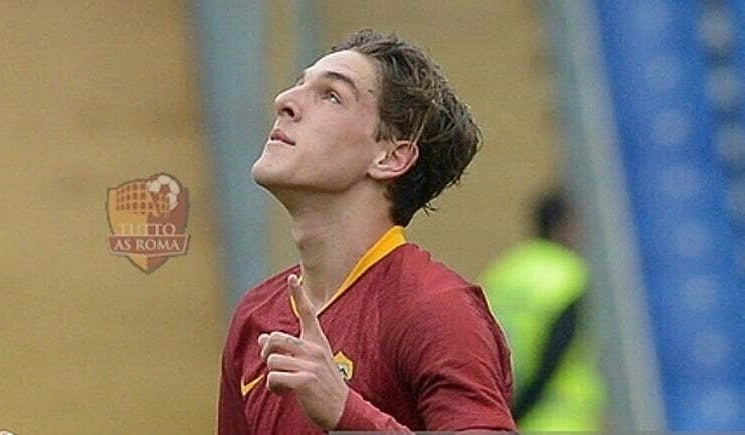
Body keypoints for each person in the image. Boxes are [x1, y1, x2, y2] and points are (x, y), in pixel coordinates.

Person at [217, 29, 516, 433]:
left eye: (331, 95)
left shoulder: (435, 308)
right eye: (300, 84)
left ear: (390, 157)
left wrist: (345, 413)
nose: (284, 100)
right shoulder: (256, 315)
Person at [479, 191, 606, 430]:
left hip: (501, 411)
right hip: (557, 420)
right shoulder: (570, 276)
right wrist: (518, 414)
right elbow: (552, 359)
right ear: (563, 226)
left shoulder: (504, 272)